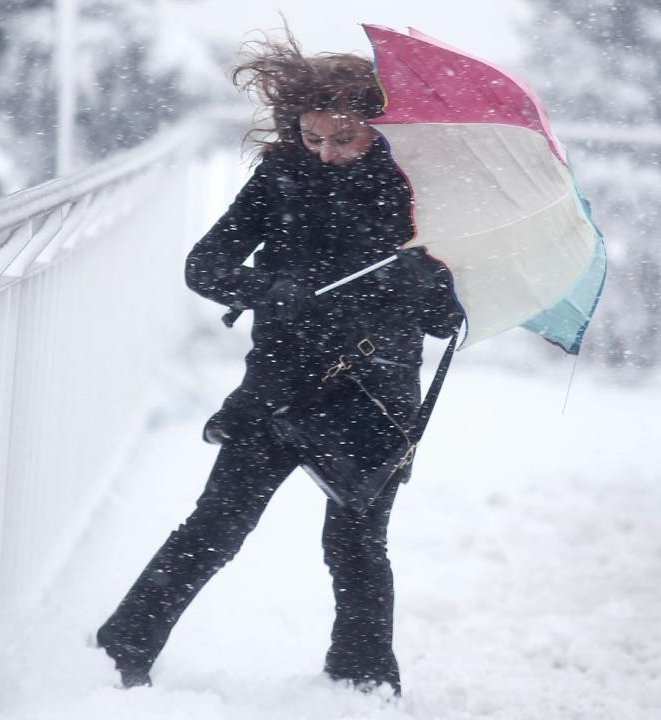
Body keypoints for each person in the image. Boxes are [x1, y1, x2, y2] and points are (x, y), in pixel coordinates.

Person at [95, 30, 464, 695]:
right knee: (216, 527)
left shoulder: (419, 192)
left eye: (343, 139)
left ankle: (363, 682)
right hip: (279, 386)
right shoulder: (282, 177)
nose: (325, 153)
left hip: (376, 392)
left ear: (378, 127)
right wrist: (274, 289)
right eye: (312, 137)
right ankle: (122, 648)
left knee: (356, 544)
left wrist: (424, 282)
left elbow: (448, 320)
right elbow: (204, 266)